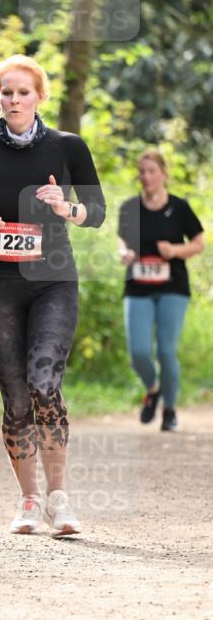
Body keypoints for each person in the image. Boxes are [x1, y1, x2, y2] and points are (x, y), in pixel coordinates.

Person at [0, 54, 106, 537]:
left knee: (44, 383)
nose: (13, 99)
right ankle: (28, 501)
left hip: (53, 280)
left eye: (23, 92)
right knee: (15, 400)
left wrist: (65, 206)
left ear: (39, 97)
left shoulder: (68, 147)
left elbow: (97, 211)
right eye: (6, 92)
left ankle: (60, 499)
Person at [118, 149, 204, 432]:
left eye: (152, 171)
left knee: (166, 352)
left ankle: (169, 410)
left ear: (164, 174)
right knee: (139, 352)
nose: (146, 177)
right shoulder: (130, 208)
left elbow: (199, 243)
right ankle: (153, 388)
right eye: (142, 172)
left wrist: (175, 250)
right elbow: (122, 242)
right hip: (138, 288)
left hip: (173, 287)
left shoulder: (179, 208)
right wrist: (125, 253)